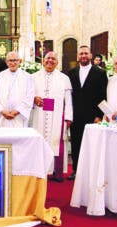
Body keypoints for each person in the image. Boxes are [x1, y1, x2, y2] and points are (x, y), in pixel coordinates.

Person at [31, 51, 73, 182]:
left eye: (53, 59)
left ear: (57, 62)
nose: (50, 61)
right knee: (38, 142)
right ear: (43, 61)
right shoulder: (33, 77)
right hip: (38, 114)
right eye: (48, 58)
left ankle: (57, 172)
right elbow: (27, 96)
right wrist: (33, 98)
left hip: (57, 116)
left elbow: (68, 100)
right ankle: (38, 171)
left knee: (56, 142)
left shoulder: (64, 78)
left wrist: (68, 117)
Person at [68, 45, 108, 180]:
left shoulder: (100, 73)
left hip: (92, 115)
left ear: (91, 55)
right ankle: (76, 170)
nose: (83, 56)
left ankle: (91, 171)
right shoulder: (72, 72)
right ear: (78, 56)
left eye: (86, 53)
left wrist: (98, 115)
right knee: (76, 143)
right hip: (76, 115)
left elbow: (103, 96)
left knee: (92, 144)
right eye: (81, 54)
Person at [0, 51, 35, 127]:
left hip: (19, 117)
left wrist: (17, 111)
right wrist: (2, 111)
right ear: (6, 62)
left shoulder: (28, 77)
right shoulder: (0, 76)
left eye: (15, 60)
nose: (12, 63)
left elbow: (29, 97)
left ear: (20, 61)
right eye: (10, 60)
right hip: (2, 117)